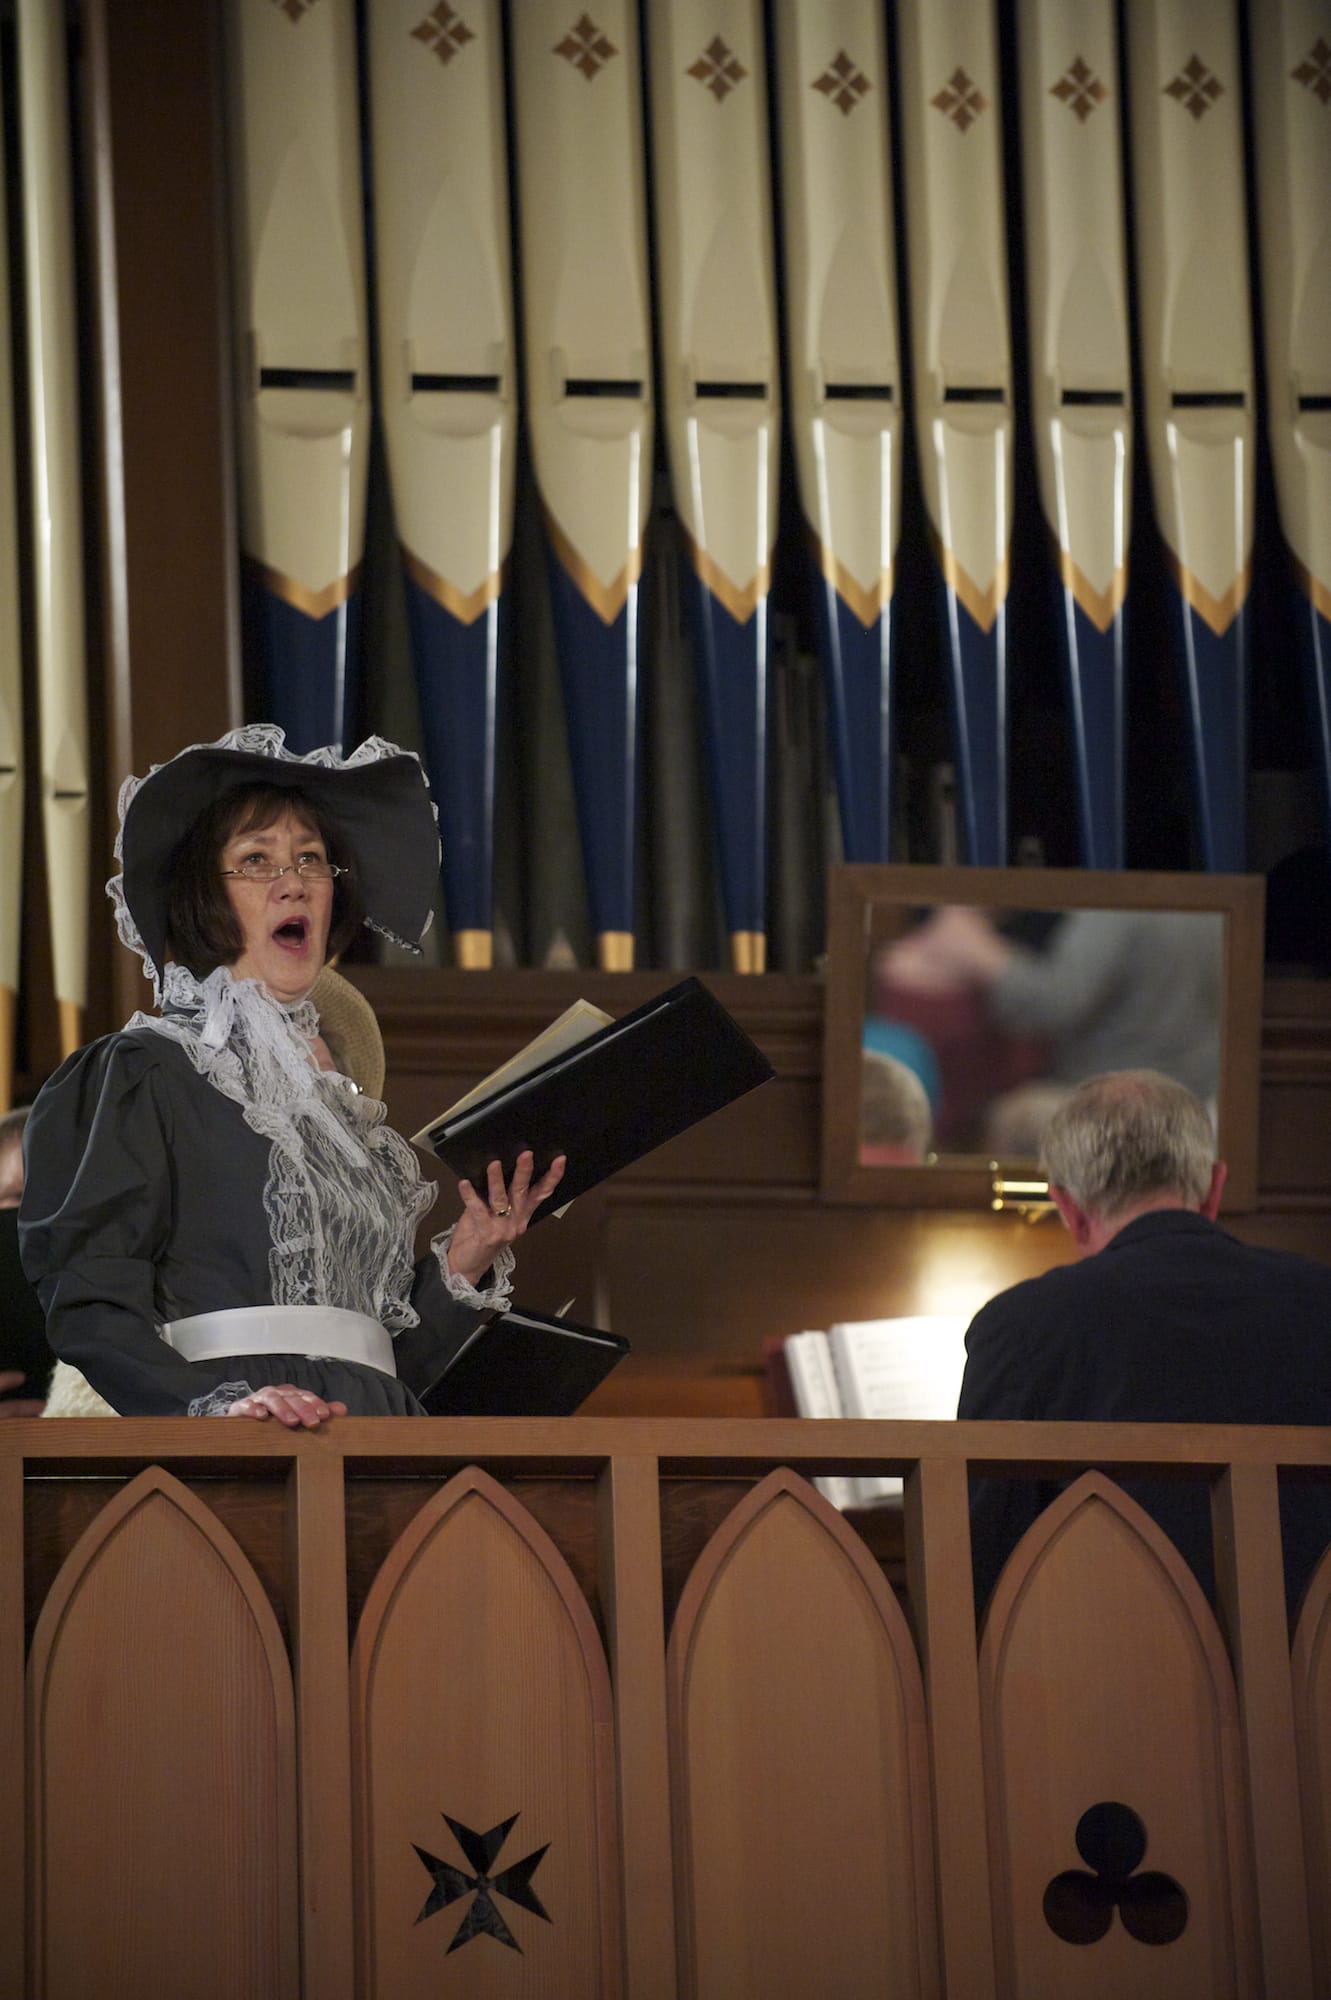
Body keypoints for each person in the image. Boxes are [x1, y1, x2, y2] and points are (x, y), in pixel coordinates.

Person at [19, 725, 565, 1424]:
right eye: (257, 860)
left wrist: (467, 1254)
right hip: (239, 1439)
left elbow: (383, 1359)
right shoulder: (141, 1073)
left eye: (311, 860)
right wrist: (215, 1408)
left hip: (373, 1436)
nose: (295, 881)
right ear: (202, 896)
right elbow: (91, 1305)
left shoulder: (346, 1121)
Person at [957, 1069, 1331, 1622]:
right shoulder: (1320, 1299)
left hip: (1109, 1676)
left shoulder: (1021, 1326)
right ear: (1213, 1188)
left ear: (1068, 1207)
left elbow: (982, 1561)